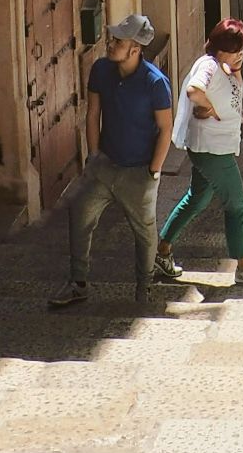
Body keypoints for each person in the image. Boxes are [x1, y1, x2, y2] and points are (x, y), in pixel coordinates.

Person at [49, 15, 174, 308]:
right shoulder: (101, 70)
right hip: (104, 166)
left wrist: (153, 172)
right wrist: (93, 157)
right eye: (113, 38)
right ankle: (78, 283)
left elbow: (165, 128)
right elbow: (92, 114)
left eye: (119, 41)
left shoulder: (155, 83)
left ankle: (144, 288)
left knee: (144, 231)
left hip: (139, 170)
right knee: (79, 214)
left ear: (135, 49)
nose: (111, 43)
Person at [156, 19, 243, 288]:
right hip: (213, 151)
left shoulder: (226, 68)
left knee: (196, 200)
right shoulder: (209, 65)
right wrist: (208, 108)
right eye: (237, 50)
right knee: (237, 205)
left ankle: (162, 251)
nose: (241, 55)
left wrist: (235, 72)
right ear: (221, 49)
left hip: (214, 147)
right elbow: (193, 90)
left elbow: (233, 95)